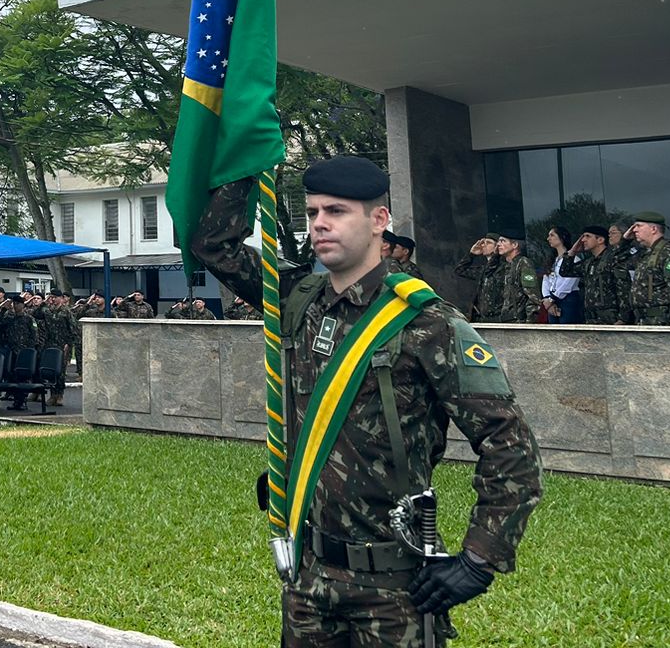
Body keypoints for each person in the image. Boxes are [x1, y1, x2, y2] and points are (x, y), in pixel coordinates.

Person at [184, 157, 542, 646]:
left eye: (336, 210)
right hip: (309, 578)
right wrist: (249, 161)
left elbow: (510, 442)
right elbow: (214, 247)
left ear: (379, 221)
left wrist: (480, 558)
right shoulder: (301, 300)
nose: (319, 224)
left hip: (397, 585)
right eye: (311, 213)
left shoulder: (427, 323)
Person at [627, 212, 670, 325]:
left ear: (653, 229)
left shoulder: (668, 253)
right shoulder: (647, 253)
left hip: (660, 321)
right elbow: (618, 260)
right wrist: (625, 241)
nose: (634, 230)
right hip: (644, 320)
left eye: (638, 226)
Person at [568, 226, 631, 324]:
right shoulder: (589, 262)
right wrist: (572, 252)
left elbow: (623, 288)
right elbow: (565, 271)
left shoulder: (612, 258)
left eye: (587, 236)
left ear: (600, 240)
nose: (583, 240)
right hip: (590, 317)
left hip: (609, 317)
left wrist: (623, 318)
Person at [493, 234, 541, 324]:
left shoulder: (523, 263)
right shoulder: (506, 266)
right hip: (506, 321)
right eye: (498, 241)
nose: (498, 244)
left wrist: (529, 324)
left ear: (514, 245)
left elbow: (533, 297)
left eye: (503, 241)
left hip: (519, 322)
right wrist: (495, 256)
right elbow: (488, 272)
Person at [455, 237, 501, 321]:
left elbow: (491, 268)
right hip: (481, 317)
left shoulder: (502, 268)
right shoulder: (482, 270)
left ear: (497, 246)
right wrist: (471, 254)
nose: (484, 245)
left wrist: (495, 255)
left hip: (496, 317)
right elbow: (460, 270)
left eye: (488, 242)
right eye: (483, 242)